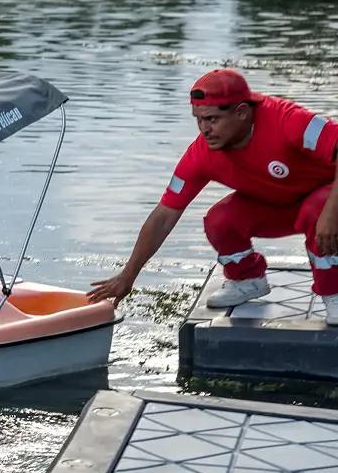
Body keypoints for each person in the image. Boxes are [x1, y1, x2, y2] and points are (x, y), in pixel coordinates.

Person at [87, 69, 338, 325]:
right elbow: (163, 216)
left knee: (318, 210)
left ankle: (335, 292)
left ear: (241, 112)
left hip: (329, 198)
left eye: (212, 119)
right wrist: (128, 276)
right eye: (199, 120)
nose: (204, 130)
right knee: (219, 220)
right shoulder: (201, 154)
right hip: (285, 205)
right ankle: (247, 279)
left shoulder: (288, 120)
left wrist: (331, 212)